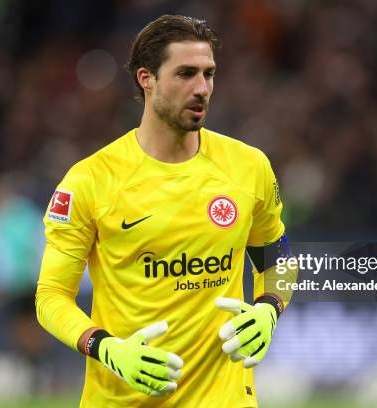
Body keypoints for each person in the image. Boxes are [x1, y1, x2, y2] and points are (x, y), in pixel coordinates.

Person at [35, 14, 296, 408]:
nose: (202, 88)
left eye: (208, 74)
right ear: (147, 78)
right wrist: (106, 348)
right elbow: (51, 297)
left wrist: (269, 309)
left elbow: (277, 257)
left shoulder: (248, 166)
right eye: (186, 74)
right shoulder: (90, 181)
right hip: (124, 399)